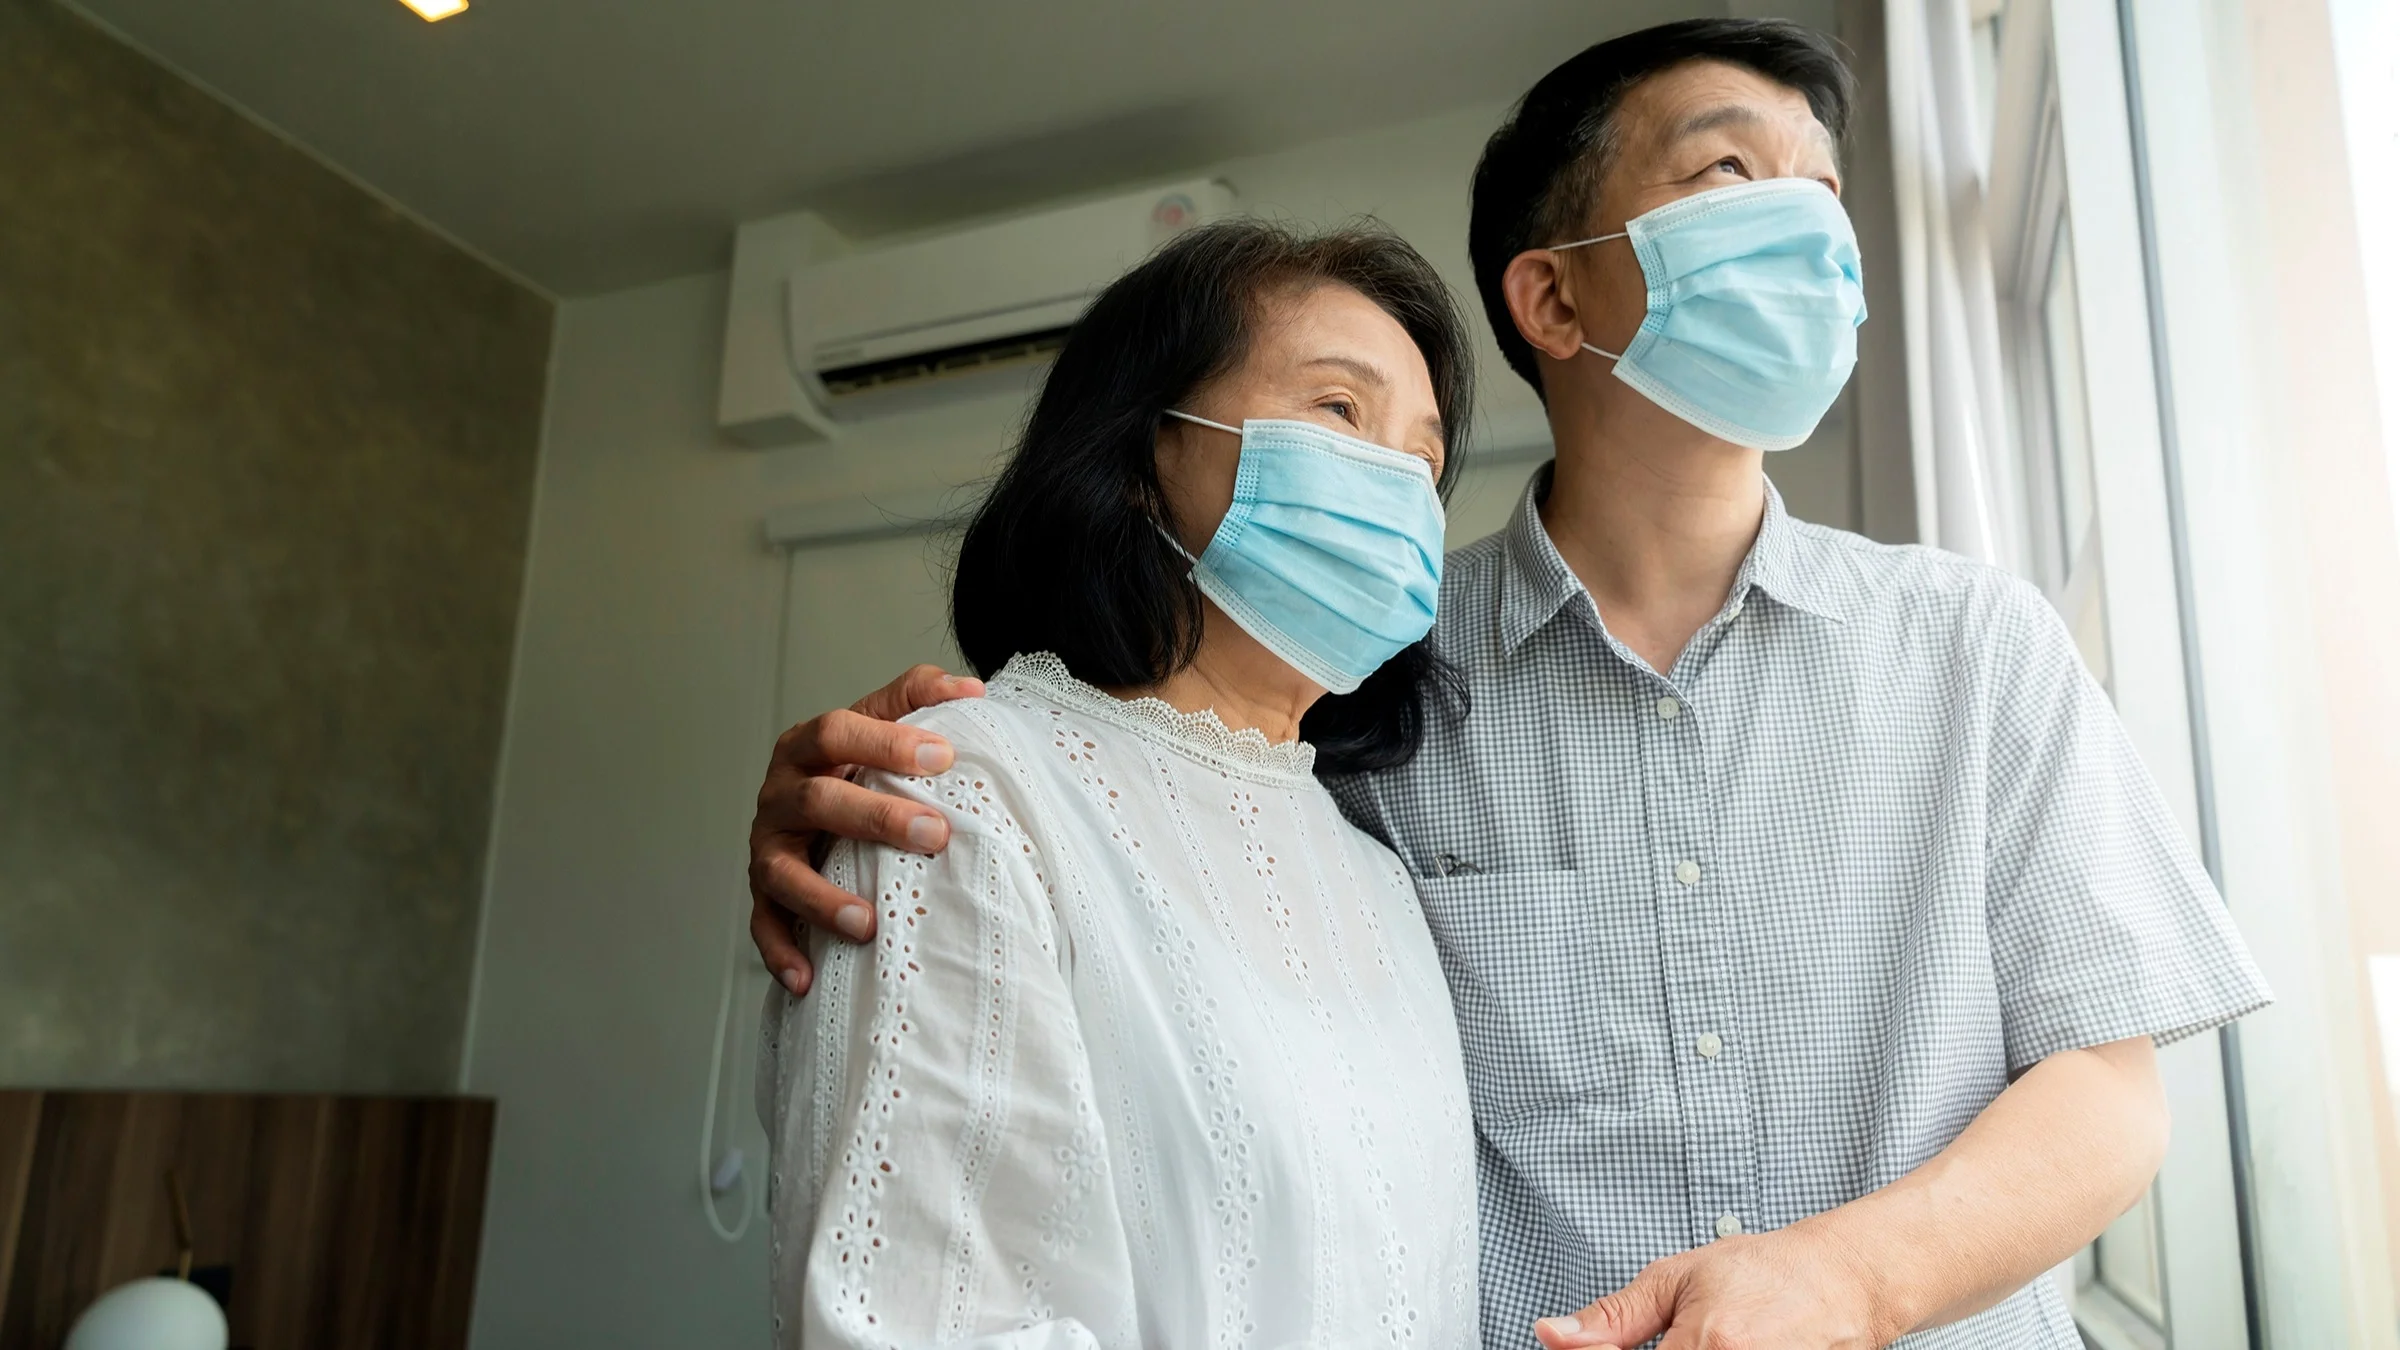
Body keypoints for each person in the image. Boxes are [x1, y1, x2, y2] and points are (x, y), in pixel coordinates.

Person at [748, 19, 2271, 1350]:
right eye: (1731, 176)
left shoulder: (1975, 643)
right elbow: (1166, 812)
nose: (1812, 230)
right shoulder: (1377, 687)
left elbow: (2111, 1081)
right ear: (1551, 299)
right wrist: (920, 780)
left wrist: (1850, 1279)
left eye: (1824, 192)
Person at [754, 220, 1485, 1347]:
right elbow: (927, 1318)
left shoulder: (1375, 877)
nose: (1396, 483)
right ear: (1148, 457)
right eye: (1341, 411)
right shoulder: (967, 790)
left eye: (1426, 462)